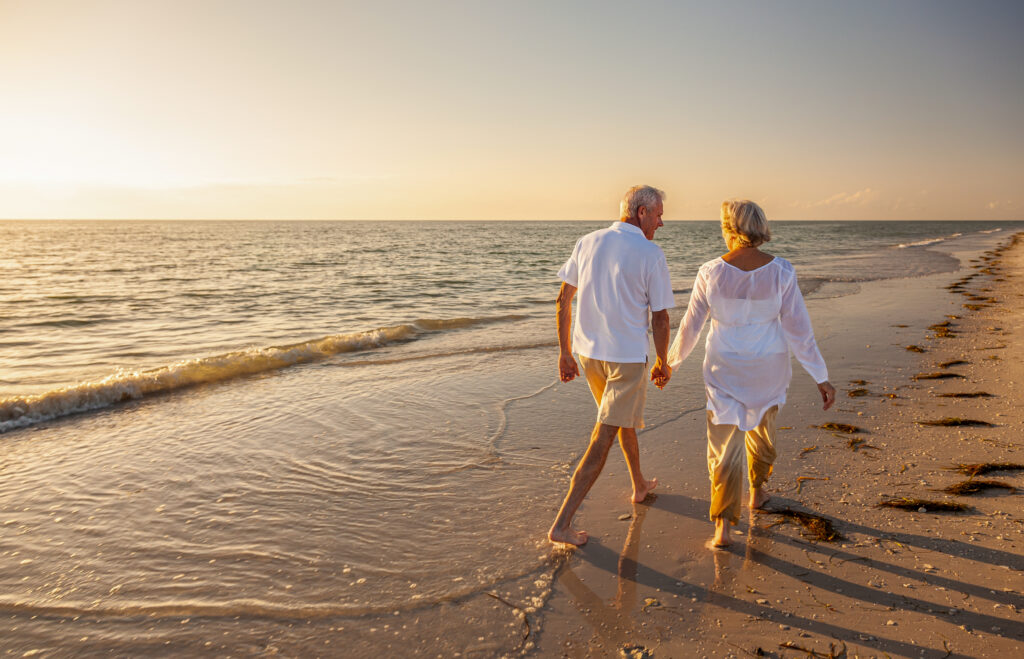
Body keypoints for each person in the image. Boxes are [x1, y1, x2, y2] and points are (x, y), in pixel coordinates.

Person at [667, 199, 836, 548]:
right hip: (768, 369)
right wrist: (821, 376)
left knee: (724, 446)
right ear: (759, 227)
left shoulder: (710, 272)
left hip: (723, 367)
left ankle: (724, 529)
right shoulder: (782, 272)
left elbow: (690, 329)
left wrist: (669, 364)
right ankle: (757, 493)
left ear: (729, 229)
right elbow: (799, 331)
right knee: (762, 432)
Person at [548, 185, 676, 547]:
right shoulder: (651, 253)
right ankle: (562, 524)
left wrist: (565, 352)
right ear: (641, 213)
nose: (661, 222)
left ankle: (638, 484)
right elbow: (661, 317)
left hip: (589, 355)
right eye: (659, 214)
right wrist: (664, 361)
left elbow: (562, 300)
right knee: (604, 434)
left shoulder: (587, 241)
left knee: (620, 420)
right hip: (626, 360)